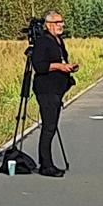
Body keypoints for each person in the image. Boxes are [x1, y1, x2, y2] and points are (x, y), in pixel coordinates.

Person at [25, 10, 74, 175]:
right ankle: (46, 165)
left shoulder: (58, 40)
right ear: (49, 24)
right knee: (49, 127)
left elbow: (61, 59)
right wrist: (59, 66)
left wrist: (68, 67)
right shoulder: (43, 42)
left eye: (62, 22)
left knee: (51, 127)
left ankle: (47, 163)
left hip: (57, 89)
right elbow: (39, 66)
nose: (61, 25)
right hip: (46, 90)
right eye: (58, 22)